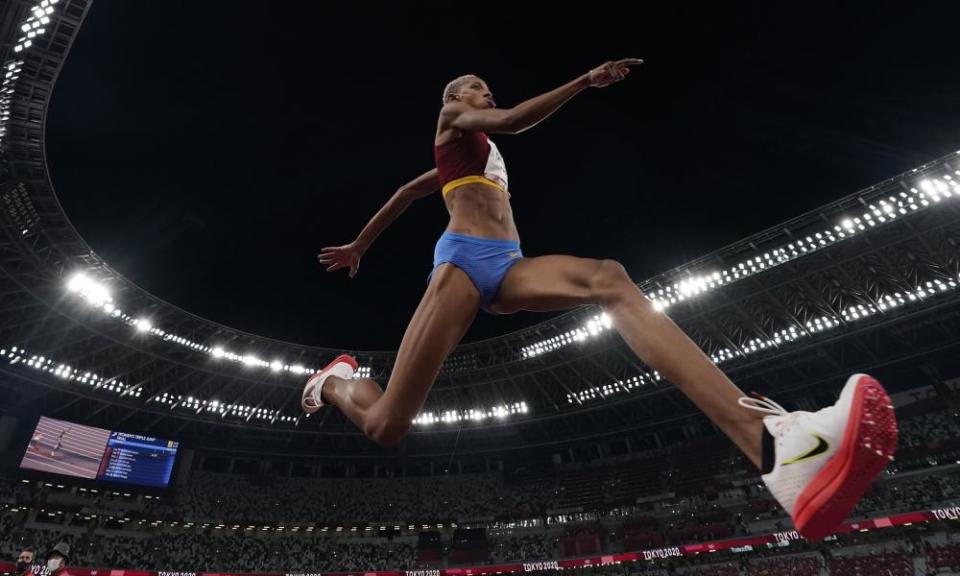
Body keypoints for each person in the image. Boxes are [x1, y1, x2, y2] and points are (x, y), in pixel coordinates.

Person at [305, 59, 897, 540]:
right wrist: (584, 82)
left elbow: (410, 191)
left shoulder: (473, 154)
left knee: (608, 278)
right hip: (459, 262)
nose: (484, 93)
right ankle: (335, 381)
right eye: (476, 86)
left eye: (485, 88)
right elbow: (508, 122)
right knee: (386, 425)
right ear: (454, 96)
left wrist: (363, 241)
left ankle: (770, 444)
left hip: (507, 268)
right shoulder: (453, 116)